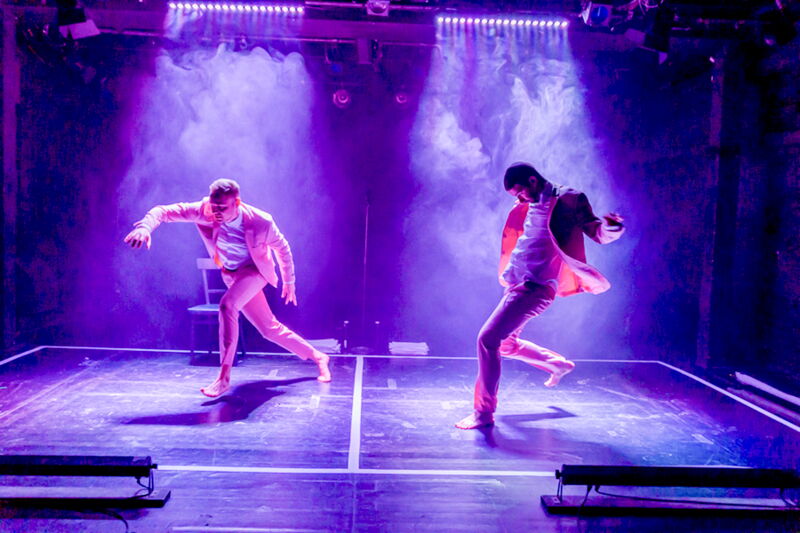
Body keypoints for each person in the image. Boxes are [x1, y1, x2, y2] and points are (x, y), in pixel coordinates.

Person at [124, 179, 331, 397]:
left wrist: (289, 281)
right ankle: (318, 356)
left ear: (237, 203)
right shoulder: (204, 210)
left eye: (222, 208)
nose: (216, 212)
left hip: (254, 271)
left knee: (227, 305)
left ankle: (223, 378)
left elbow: (282, 248)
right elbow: (163, 211)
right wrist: (145, 227)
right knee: (269, 328)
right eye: (214, 206)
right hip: (231, 274)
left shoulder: (261, 221)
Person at [456, 163, 624, 430]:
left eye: (520, 192)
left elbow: (596, 232)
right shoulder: (527, 203)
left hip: (536, 287)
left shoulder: (570, 199)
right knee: (505, 345)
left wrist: (612, 228)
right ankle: (557, 365)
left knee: (487, 340)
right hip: (517, 285)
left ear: (533, 181)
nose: (519, 198)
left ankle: (483, 413)